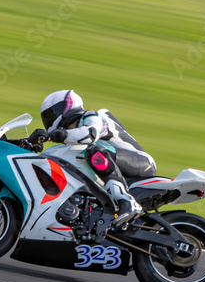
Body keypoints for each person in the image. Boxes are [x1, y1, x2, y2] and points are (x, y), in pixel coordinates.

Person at [39, 90, 155, 225]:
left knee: (93, 151)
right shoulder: (74, 137)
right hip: (115, 164)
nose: (49, 122)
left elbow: (90, 134)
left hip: (140, 162)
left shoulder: (92, 117)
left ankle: (127, 202)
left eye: (50, 115)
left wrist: (52, 135)